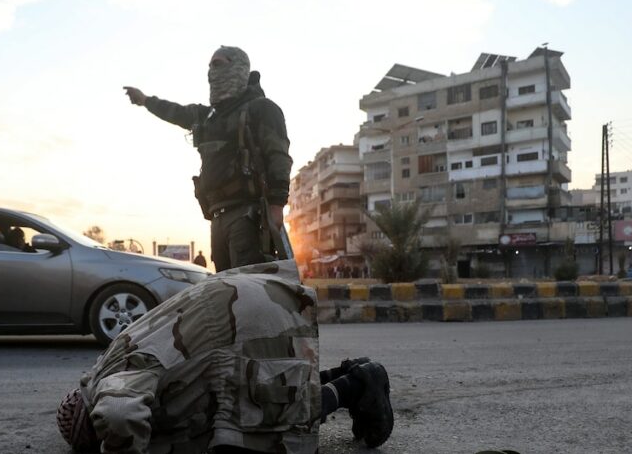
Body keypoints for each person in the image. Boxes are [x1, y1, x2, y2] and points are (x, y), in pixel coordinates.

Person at [55, 260, 394, 453]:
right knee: (261, 395)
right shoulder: (107, 366)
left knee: (264, 434)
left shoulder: (111, 386)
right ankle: (352, 376)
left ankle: (358, 385)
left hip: (237, 317)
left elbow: (119, 415)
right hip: (238, 303)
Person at [124, 46, 293, 272]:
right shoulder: (209, 117)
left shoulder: (261, 109)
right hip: (217, 215)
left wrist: (277, 204)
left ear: (238, 67)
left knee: (246, 284)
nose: (212, 71)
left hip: (248, 215)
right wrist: (145, 100)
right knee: (224, 287)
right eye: (210, 65)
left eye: (219, 64)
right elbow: (175, 112)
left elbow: (279, 156)